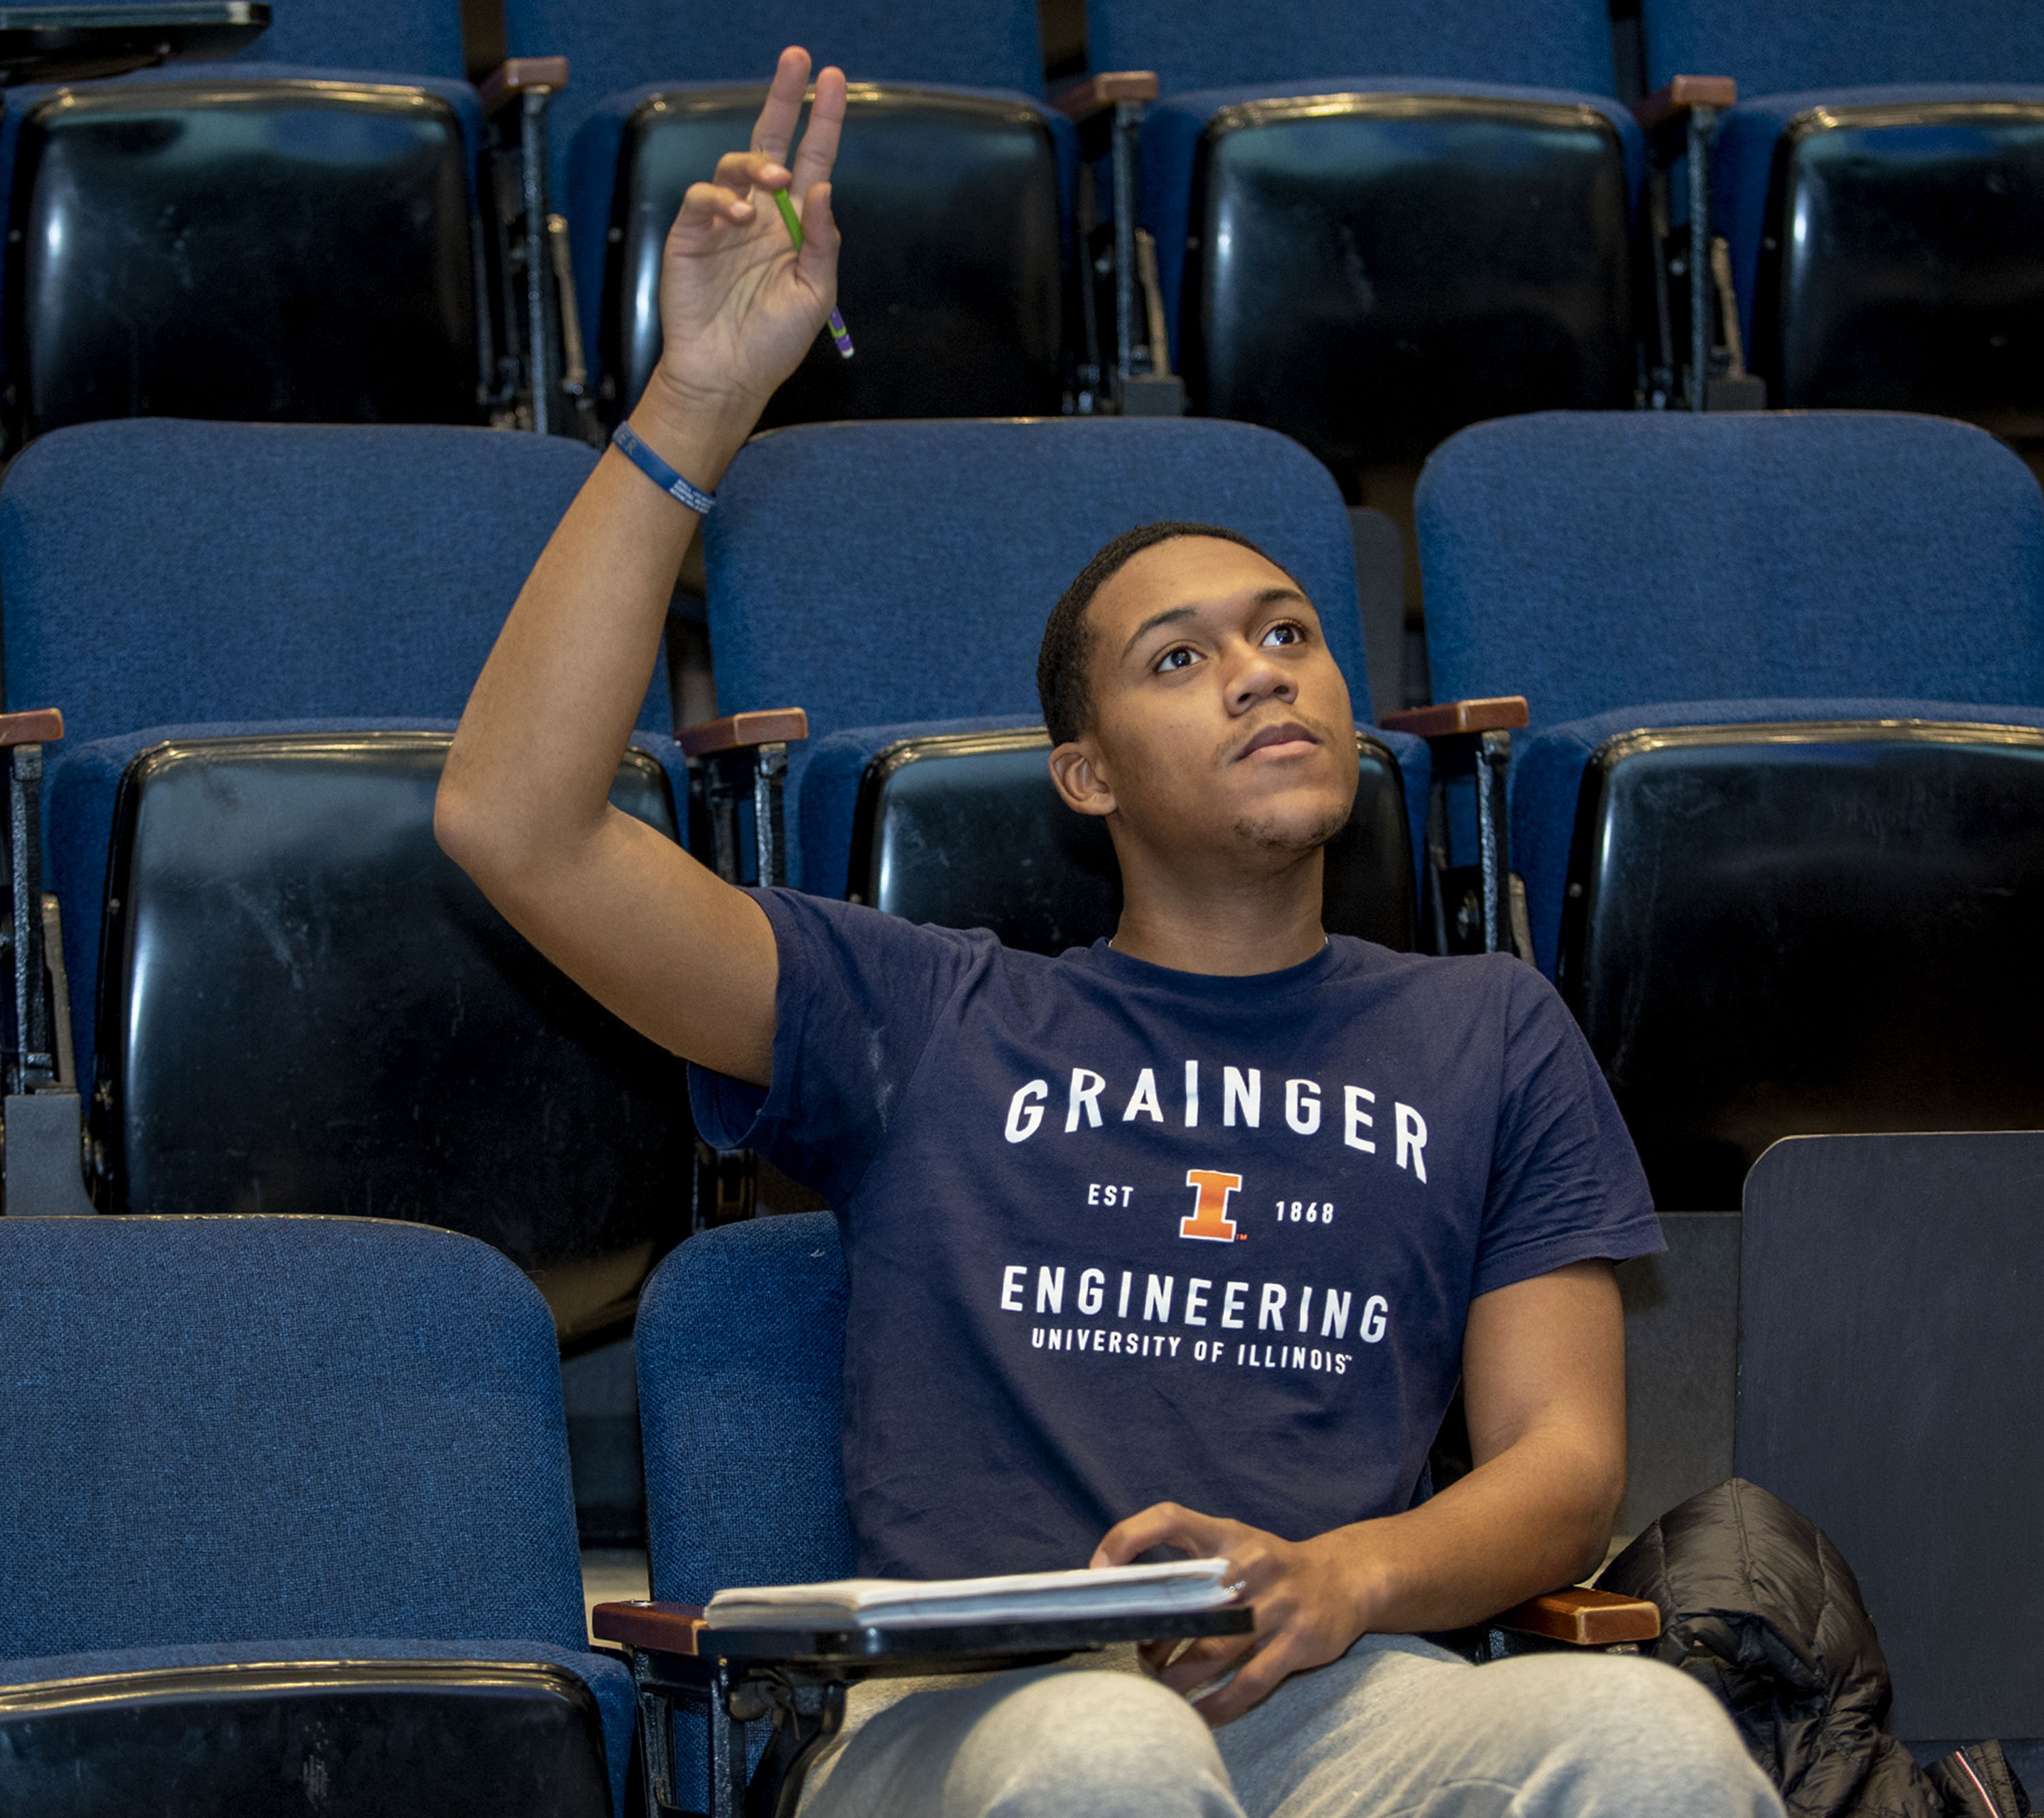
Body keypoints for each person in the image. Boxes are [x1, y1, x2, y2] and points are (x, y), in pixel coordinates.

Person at [435, 45, 1782, 1818]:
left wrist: (1348, 1577)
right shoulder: (923, 1015)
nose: (1261, 673)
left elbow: (1565, 1463)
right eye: (1182, 658)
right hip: (979, 1717)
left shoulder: (1487, 1029)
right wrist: (693, 404)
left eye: (1289, 633)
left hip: (1340, 1677)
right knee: (1112, 1749)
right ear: (1082, 772)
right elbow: (513, 826)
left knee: (1653, 1741)